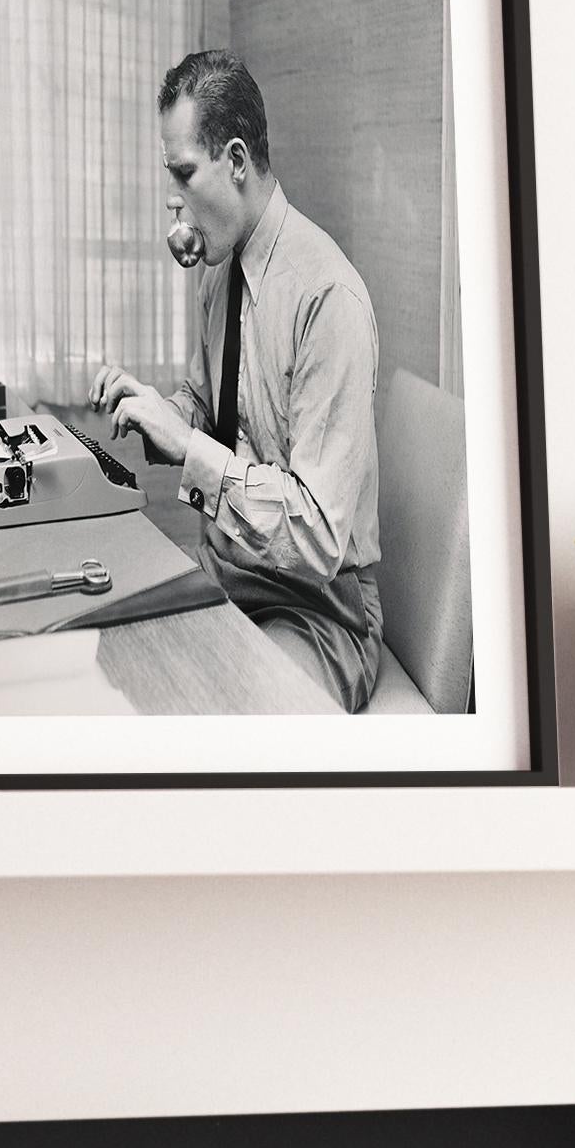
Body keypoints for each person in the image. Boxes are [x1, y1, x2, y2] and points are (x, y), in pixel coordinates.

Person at [91, 51, 383, 710]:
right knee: (109, 671)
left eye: (185, 174)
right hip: (226, 575)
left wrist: (190, 450)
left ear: (237, 161)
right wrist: (158, 409)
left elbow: (316, 538)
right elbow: (207, 403)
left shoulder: (327, 297)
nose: (174, 200)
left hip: (316, 610)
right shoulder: (221, 270)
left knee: (225, 720)